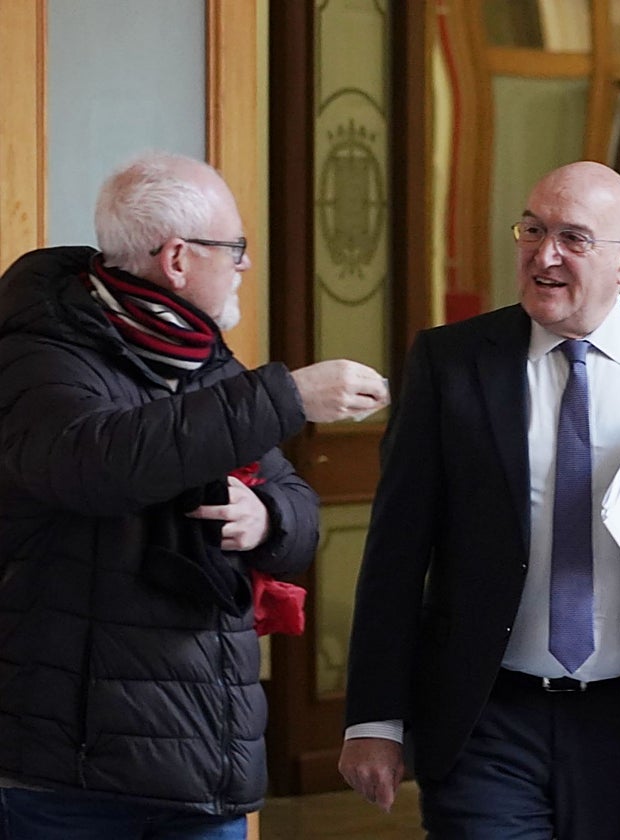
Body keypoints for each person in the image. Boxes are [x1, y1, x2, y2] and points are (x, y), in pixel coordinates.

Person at [338, 160, 620, 838]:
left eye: (573, 238)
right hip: (489, 716)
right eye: (532, 230)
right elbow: (396, 551)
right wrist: (373, 717)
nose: (543, 255)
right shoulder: (451, 362)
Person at [0, 151, 390, 839]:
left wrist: (265, 516)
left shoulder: (205, 360)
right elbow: (100, 461)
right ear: (178, 259)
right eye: (235, 248)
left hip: (205, 763)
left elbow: (299, 510)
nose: (245, 264)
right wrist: (289, 394)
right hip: (74, 772)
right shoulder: (44, 349)